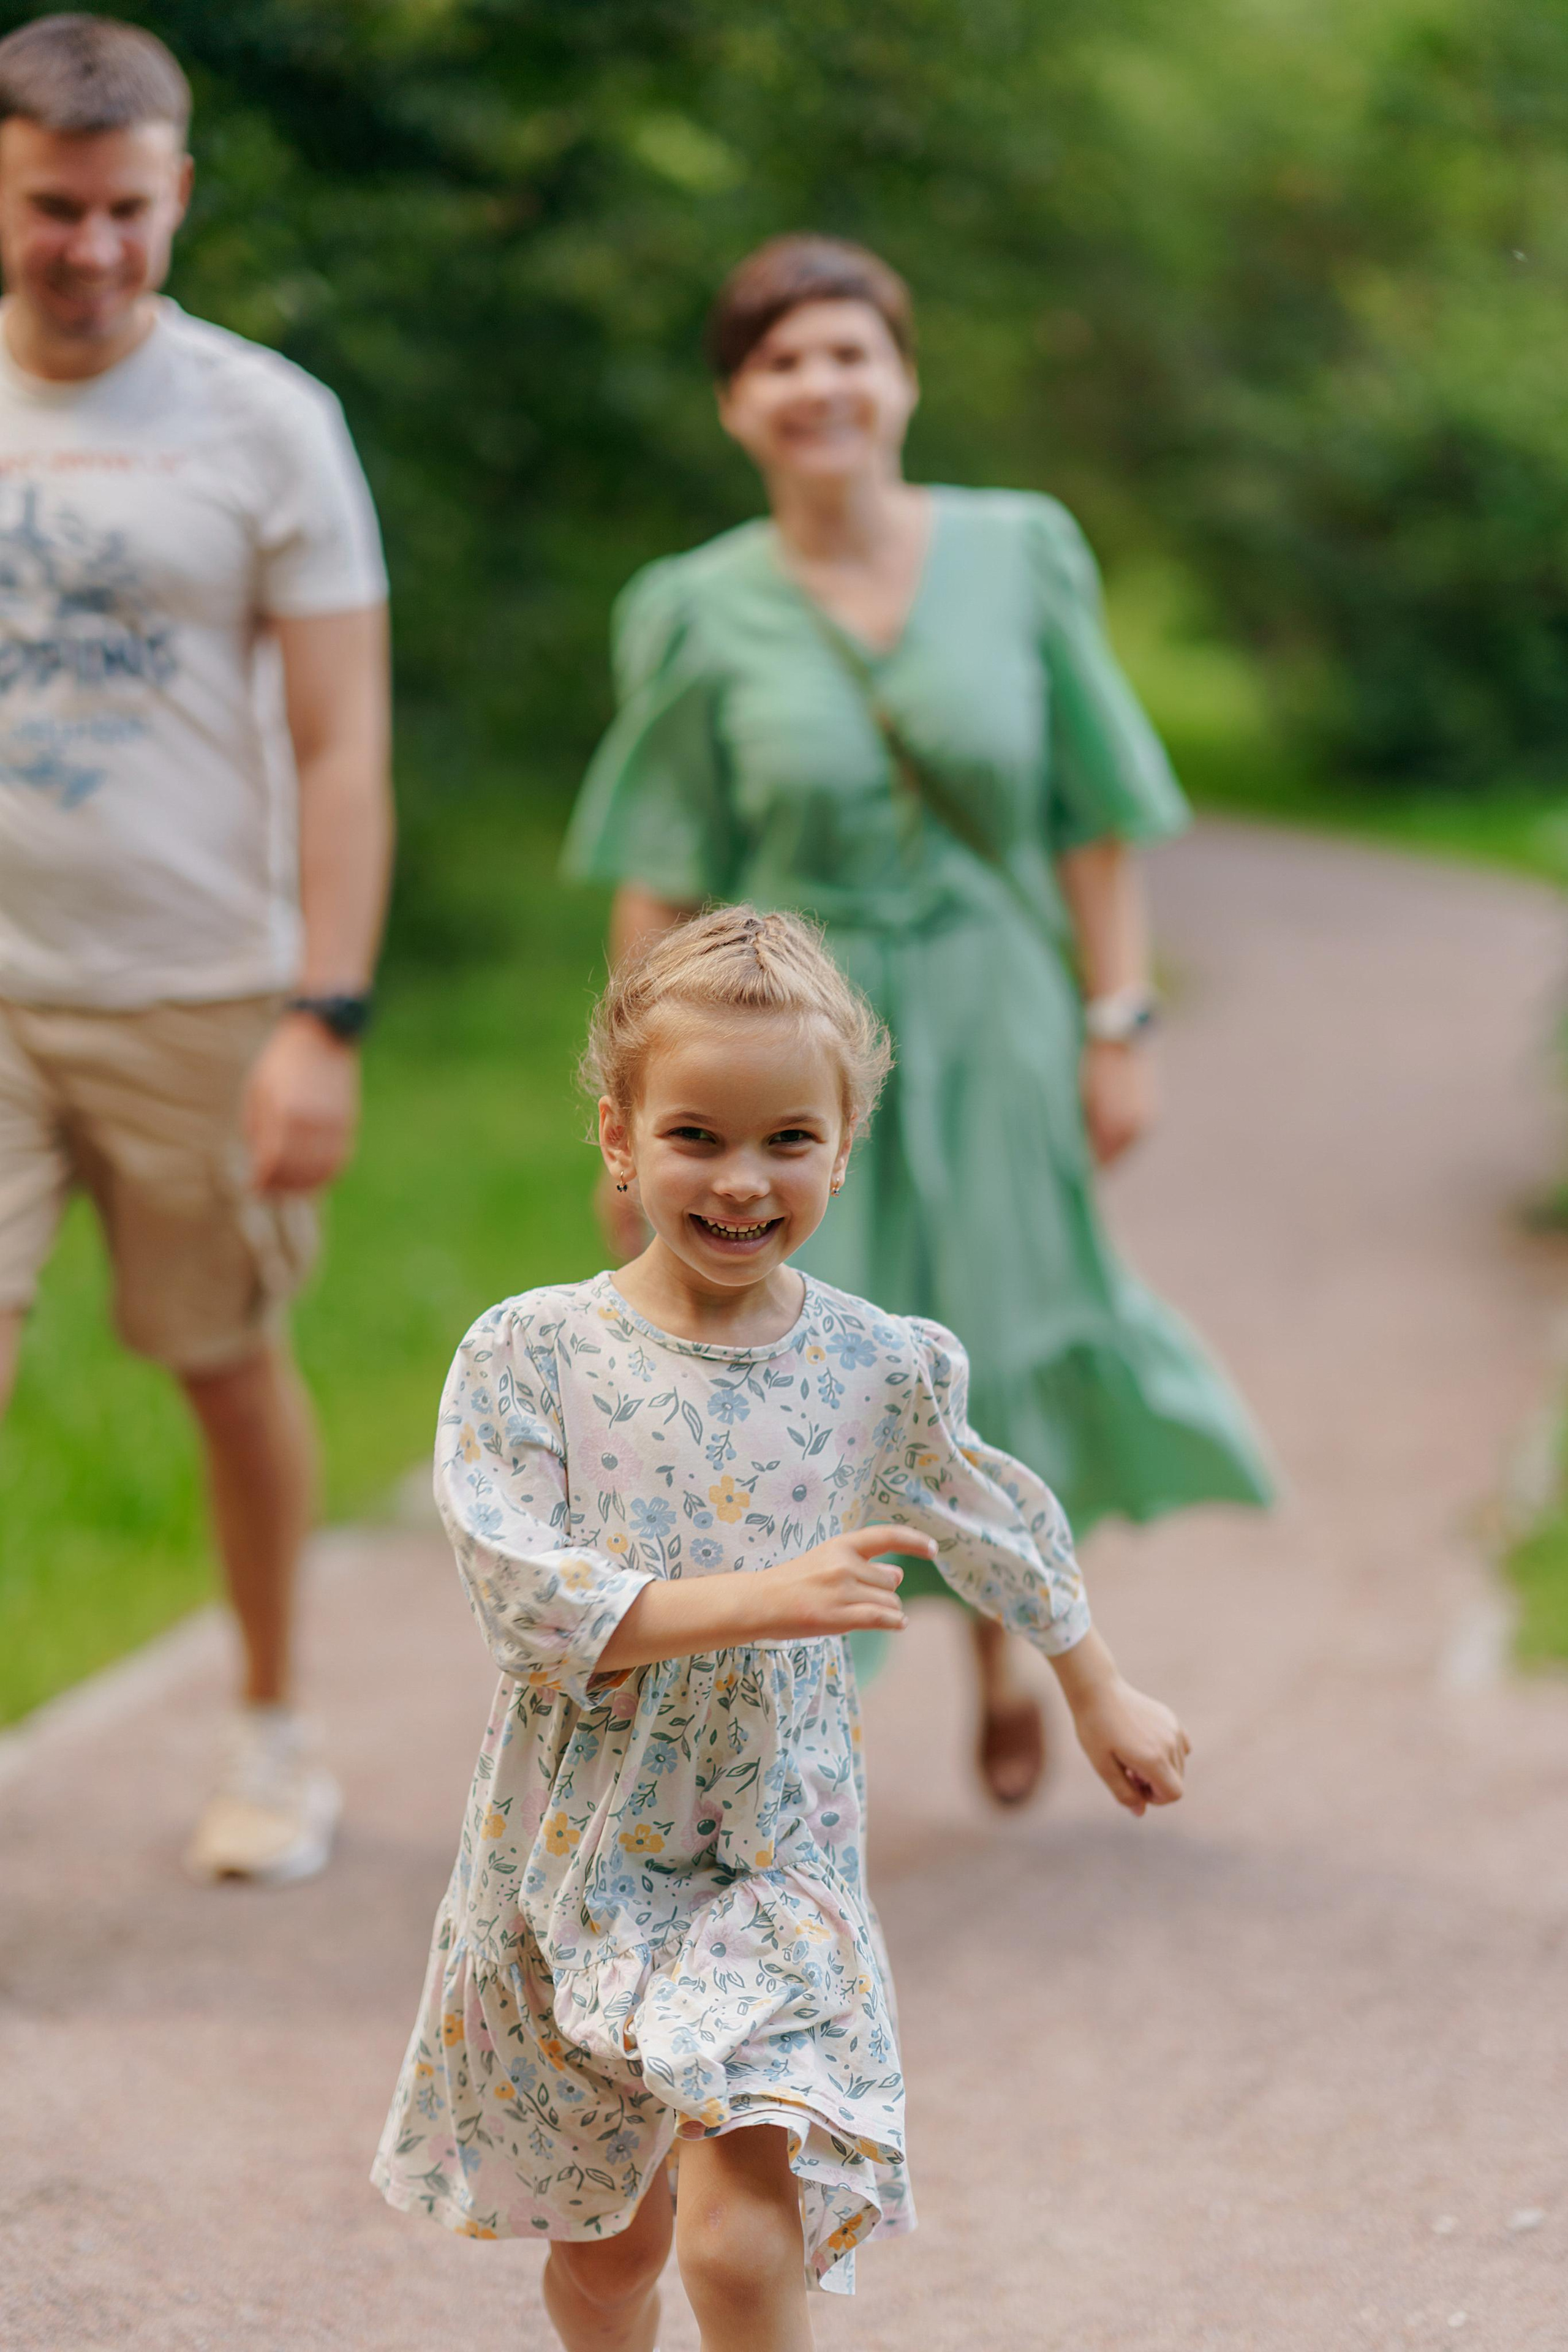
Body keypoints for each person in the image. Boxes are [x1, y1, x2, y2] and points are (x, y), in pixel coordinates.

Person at [373, 905, 1187, 2343]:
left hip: (773, 1853)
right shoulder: (533, 1356)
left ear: (841, 1143)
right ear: (619, 1140)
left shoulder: (878, 1366)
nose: (741, 1182)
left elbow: (990, 1517)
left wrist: (1093, 1686)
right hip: (577, 1858)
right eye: (696, 1136)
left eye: (785, 1142)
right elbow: (527, 1599)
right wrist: (766, 1599)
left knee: (745, 2252)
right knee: (615, 2254)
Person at [564, 234, 1272, 1807]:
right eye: (779, 362)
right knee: (802, 1347)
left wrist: (1117, 1020)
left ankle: (1014, 1646)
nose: (820, 385)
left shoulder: (1020, 551)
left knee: (1001, 1331)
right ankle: (793, 1717)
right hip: (782, 1040)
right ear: (736, 406)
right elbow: (657, 871)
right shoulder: (690, 607)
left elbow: (1092, 814)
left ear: (900, 375)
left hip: (994, 1001)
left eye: (848, 351)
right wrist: (632, 1103)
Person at [0, 17, 392, 1883]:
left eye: (125, 210)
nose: (88, 247)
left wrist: (323, 1013)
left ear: (176, 199)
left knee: (224, 1364)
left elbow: (343, 744)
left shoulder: (264, 422)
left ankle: (272, 1731)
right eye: (51, 207)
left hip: (198, 992)